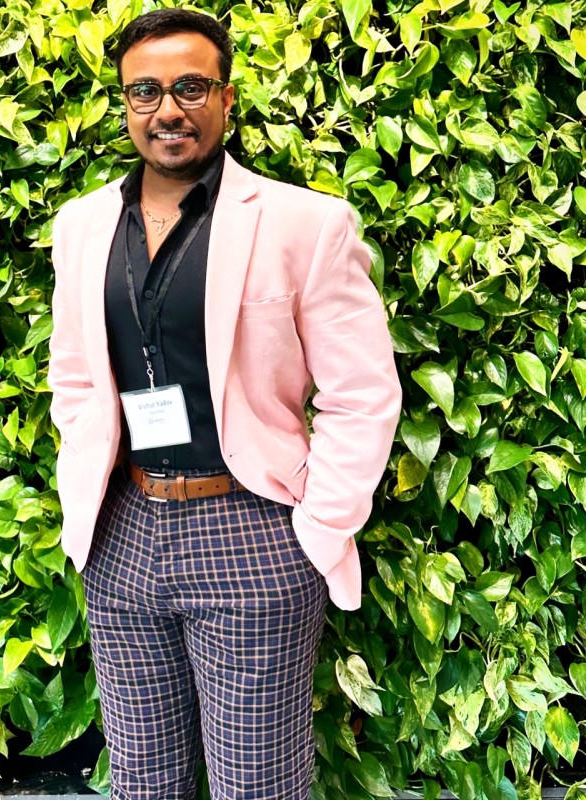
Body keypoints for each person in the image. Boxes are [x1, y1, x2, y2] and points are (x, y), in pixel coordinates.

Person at [47, 8, 401, 799]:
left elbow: (363, 392)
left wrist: (317, 529)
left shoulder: (305, 225)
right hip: (122, 530)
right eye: (144, 92)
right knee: (144, 780)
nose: (166, 109)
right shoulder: (80, 228)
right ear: (125, 103)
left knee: (259, 784)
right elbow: (73, 376)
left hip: (253, 529)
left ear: (227, 97)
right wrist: (86, 493)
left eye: (189, 86)